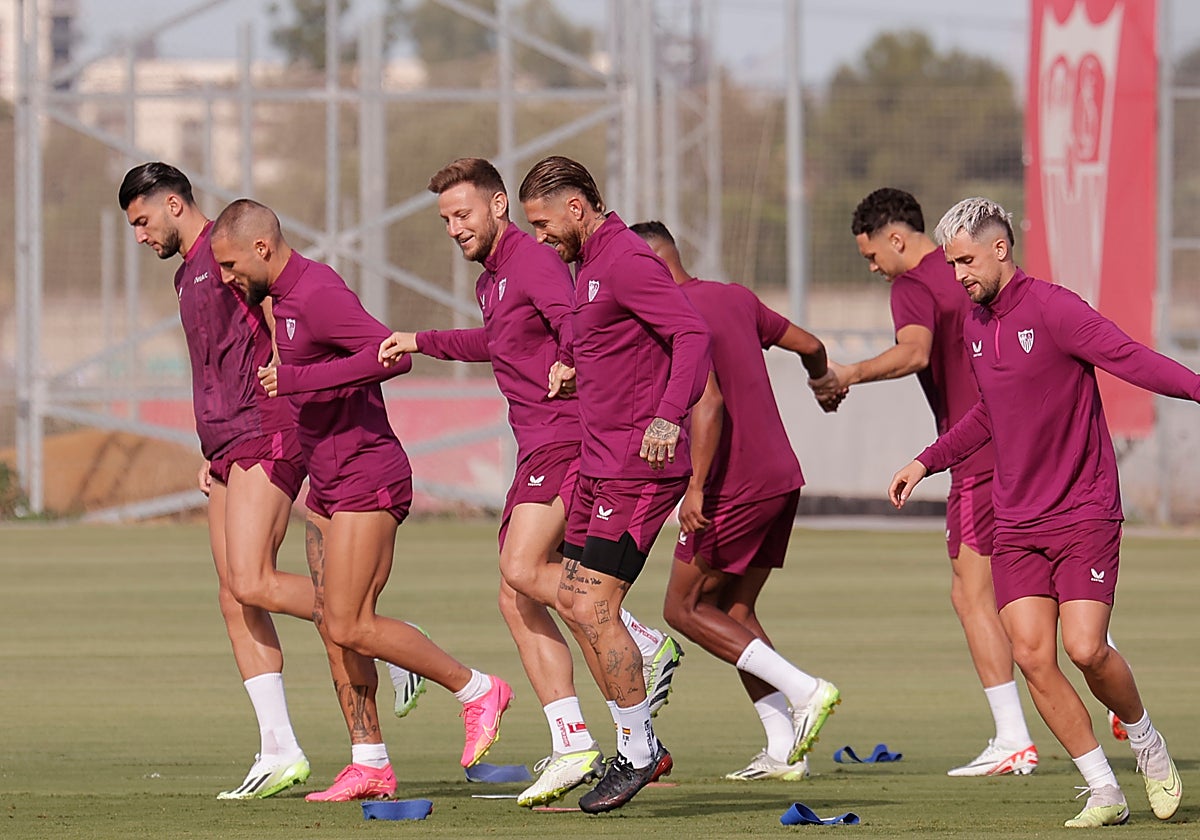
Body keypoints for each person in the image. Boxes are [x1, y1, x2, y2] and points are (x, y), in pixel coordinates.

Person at [377, 158, 682, 807]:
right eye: (445, 219)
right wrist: (421, 340)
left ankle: (642, 647)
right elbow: (503, 341)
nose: (454, 228)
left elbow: (592, 328)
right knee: (518, 596)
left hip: (567, 440)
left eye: (462, 214)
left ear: (498, 207)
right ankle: (574, 739)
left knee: (530, 572)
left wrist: (580, 368)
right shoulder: (496, 277)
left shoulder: (537, 260)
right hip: (545, 443)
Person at [118, 163, 423, 800]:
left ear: (174, 204)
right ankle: (279, 748)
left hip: (268, 429)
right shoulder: (187, 275)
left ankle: (375, 633)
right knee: (234, 596)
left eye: (143, 220)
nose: (140, 235)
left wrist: (287, 400)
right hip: (226, 441)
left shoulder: (231, 253)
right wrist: (211, 446)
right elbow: (213, 366)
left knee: (254, 579)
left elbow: (295, 321)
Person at [889, 196, 1187, 828]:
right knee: (1031, 655)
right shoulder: (973, 322)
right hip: (1018, 520)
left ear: (1001, 249)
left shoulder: (1055, 309)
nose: (958, 274)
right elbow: (988, 413)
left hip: (1083, 510)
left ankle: (1146, 740)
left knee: (1085, 649)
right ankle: (1103, 791)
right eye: (950, 264)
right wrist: (926, 460)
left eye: (966, 260)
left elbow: (1130, 358)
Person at [208, 198, 513, 802]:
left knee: (349, 621)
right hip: (328, 481)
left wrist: (297, 379)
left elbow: (387, 356)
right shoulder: (280, 301)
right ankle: (369, 761)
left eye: (230, 263)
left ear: (262, 249)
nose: (225, 277)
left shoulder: (318, 292)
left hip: (366, 476)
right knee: (336, 628)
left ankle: (475, 688)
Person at [810, 188, 1038, 777]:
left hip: (977, 453)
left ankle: (1013, 738)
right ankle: (1106, 668)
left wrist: (849, 374)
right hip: (1029, 442)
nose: (873, 269)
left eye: (870, 257)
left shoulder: (912, 285)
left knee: (971, 593)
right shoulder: (974, 271)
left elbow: (914, 352)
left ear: (894, 237)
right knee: (1038, 574)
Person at [517, 156, 710, 813]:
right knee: (573, 601)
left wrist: (666, 414)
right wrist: (574, 363)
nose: (539, 236)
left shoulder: (626, 257)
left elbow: (691, 333)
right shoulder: (590, 265)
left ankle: (636, 751)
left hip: (638, 465)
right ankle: (634, 734)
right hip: (600, 465)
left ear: (576, 206)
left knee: (594, 606)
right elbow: (614, 340)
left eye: (543, 222)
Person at [631, 221, 842, 782]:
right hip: (781, 477)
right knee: (735, 611)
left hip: (733, 485)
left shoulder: (665, 316)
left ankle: (807, 690)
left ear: (647, 264)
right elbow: (812, 346)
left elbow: (708, 402)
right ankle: (781, 749)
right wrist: (824, 383)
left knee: (681, 610)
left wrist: (696, 487)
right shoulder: (736, 298)